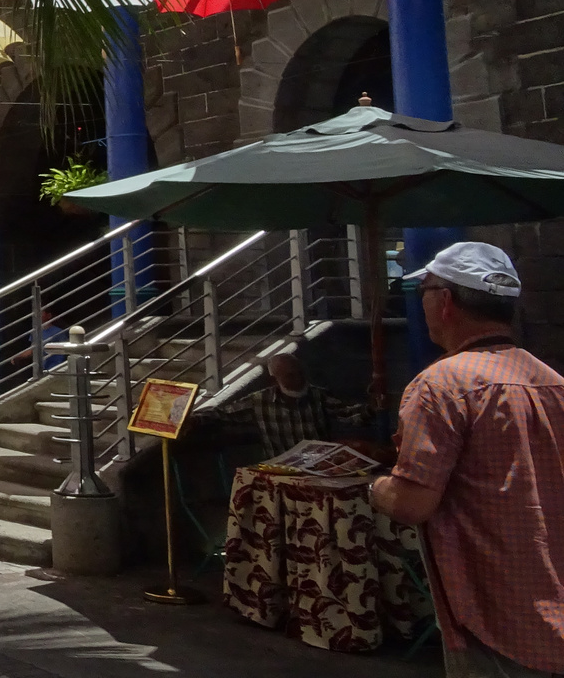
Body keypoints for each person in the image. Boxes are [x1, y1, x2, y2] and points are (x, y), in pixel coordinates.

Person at [370, 243, 564, 678]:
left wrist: (376, 486)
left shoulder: (439, 386)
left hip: (492, 612)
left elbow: (411, 503)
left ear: (445, 302)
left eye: (424, 289)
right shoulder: (552, 382)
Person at [205, 351, 370, 453]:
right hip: (280, 471)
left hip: (317, 466)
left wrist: (374, 408)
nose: (299, 379)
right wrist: (190, 418)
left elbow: (349, 414)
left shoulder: (318, 395)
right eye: (290, 376)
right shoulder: (259, 400)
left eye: (300, 373)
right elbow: (223, 413)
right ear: (274, 380)